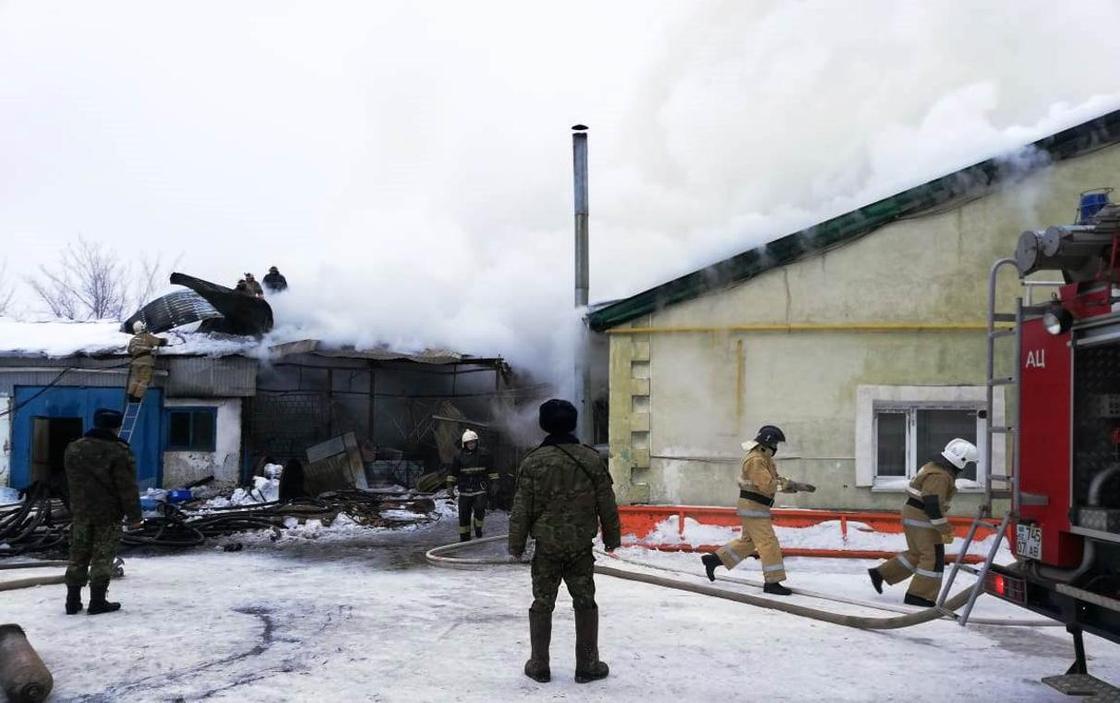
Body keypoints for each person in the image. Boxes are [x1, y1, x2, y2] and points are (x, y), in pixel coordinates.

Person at [509, 399, 621, 685]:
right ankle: (587, 664)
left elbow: (522, 507)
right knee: (585, 601)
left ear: (543, 425)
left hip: (546, 546)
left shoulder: (533, 461)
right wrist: (611, 537)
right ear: (573, 423)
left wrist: (516, 544)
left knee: (542, 602)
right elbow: (607, 502)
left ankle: (539, 665)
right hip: (580, 546)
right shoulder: (591, 458)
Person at [700, 425, 815, 596]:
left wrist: (794, 485)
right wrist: (793, 485)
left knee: (748, 542)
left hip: (756, 507)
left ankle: (714, 560)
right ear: (768, 443)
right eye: (775, 443)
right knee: (768, 543)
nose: (776, 448)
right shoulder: (756, 460)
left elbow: (773, 479)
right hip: (754, 507)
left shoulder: (764, 458)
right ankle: (772, 582)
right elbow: (767, 484)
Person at [867, 438, 979, 607]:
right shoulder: (941, 476)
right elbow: (932, 504)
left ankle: (882, 573)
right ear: (960, 461)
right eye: (968, 463)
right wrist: (944, 528)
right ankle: (919, 596)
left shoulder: (934, 467)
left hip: (914, 514)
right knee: (932, 557)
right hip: (922, 516)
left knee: (917, 553)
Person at [63, 408, 142, 615]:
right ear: (116, 427)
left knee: (78, 554)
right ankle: (97, 602)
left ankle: (72, 601)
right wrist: (135, 516)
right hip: (107, 514)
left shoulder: (74, 448)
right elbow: (126, 486)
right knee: (102, 556)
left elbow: (68, 480)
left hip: (80, 511)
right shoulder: (119, 451)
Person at [446, 429, 498, 541]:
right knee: (463, 515)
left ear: (477, 442)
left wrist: (495, 483)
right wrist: (449, 485)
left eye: (473, 442)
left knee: (480, 509)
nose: (471, 444)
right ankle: (464, 538)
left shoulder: (485, 454)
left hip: (479, 488)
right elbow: (453, 473)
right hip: (464, 490)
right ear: (464, 444)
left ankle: (478, 527)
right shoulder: (458, 456)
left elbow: (492, 470)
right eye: (469, 443)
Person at [126, 320, 167, 403]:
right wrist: (164, 340)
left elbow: (129, 350)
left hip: (135, 362)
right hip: (146, 361)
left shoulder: (133, 340)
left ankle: (131, 395)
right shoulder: (147, 336)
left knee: (136, 379)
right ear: (142, 328)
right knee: (144, 380)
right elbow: (158, 342)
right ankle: (137, 397)